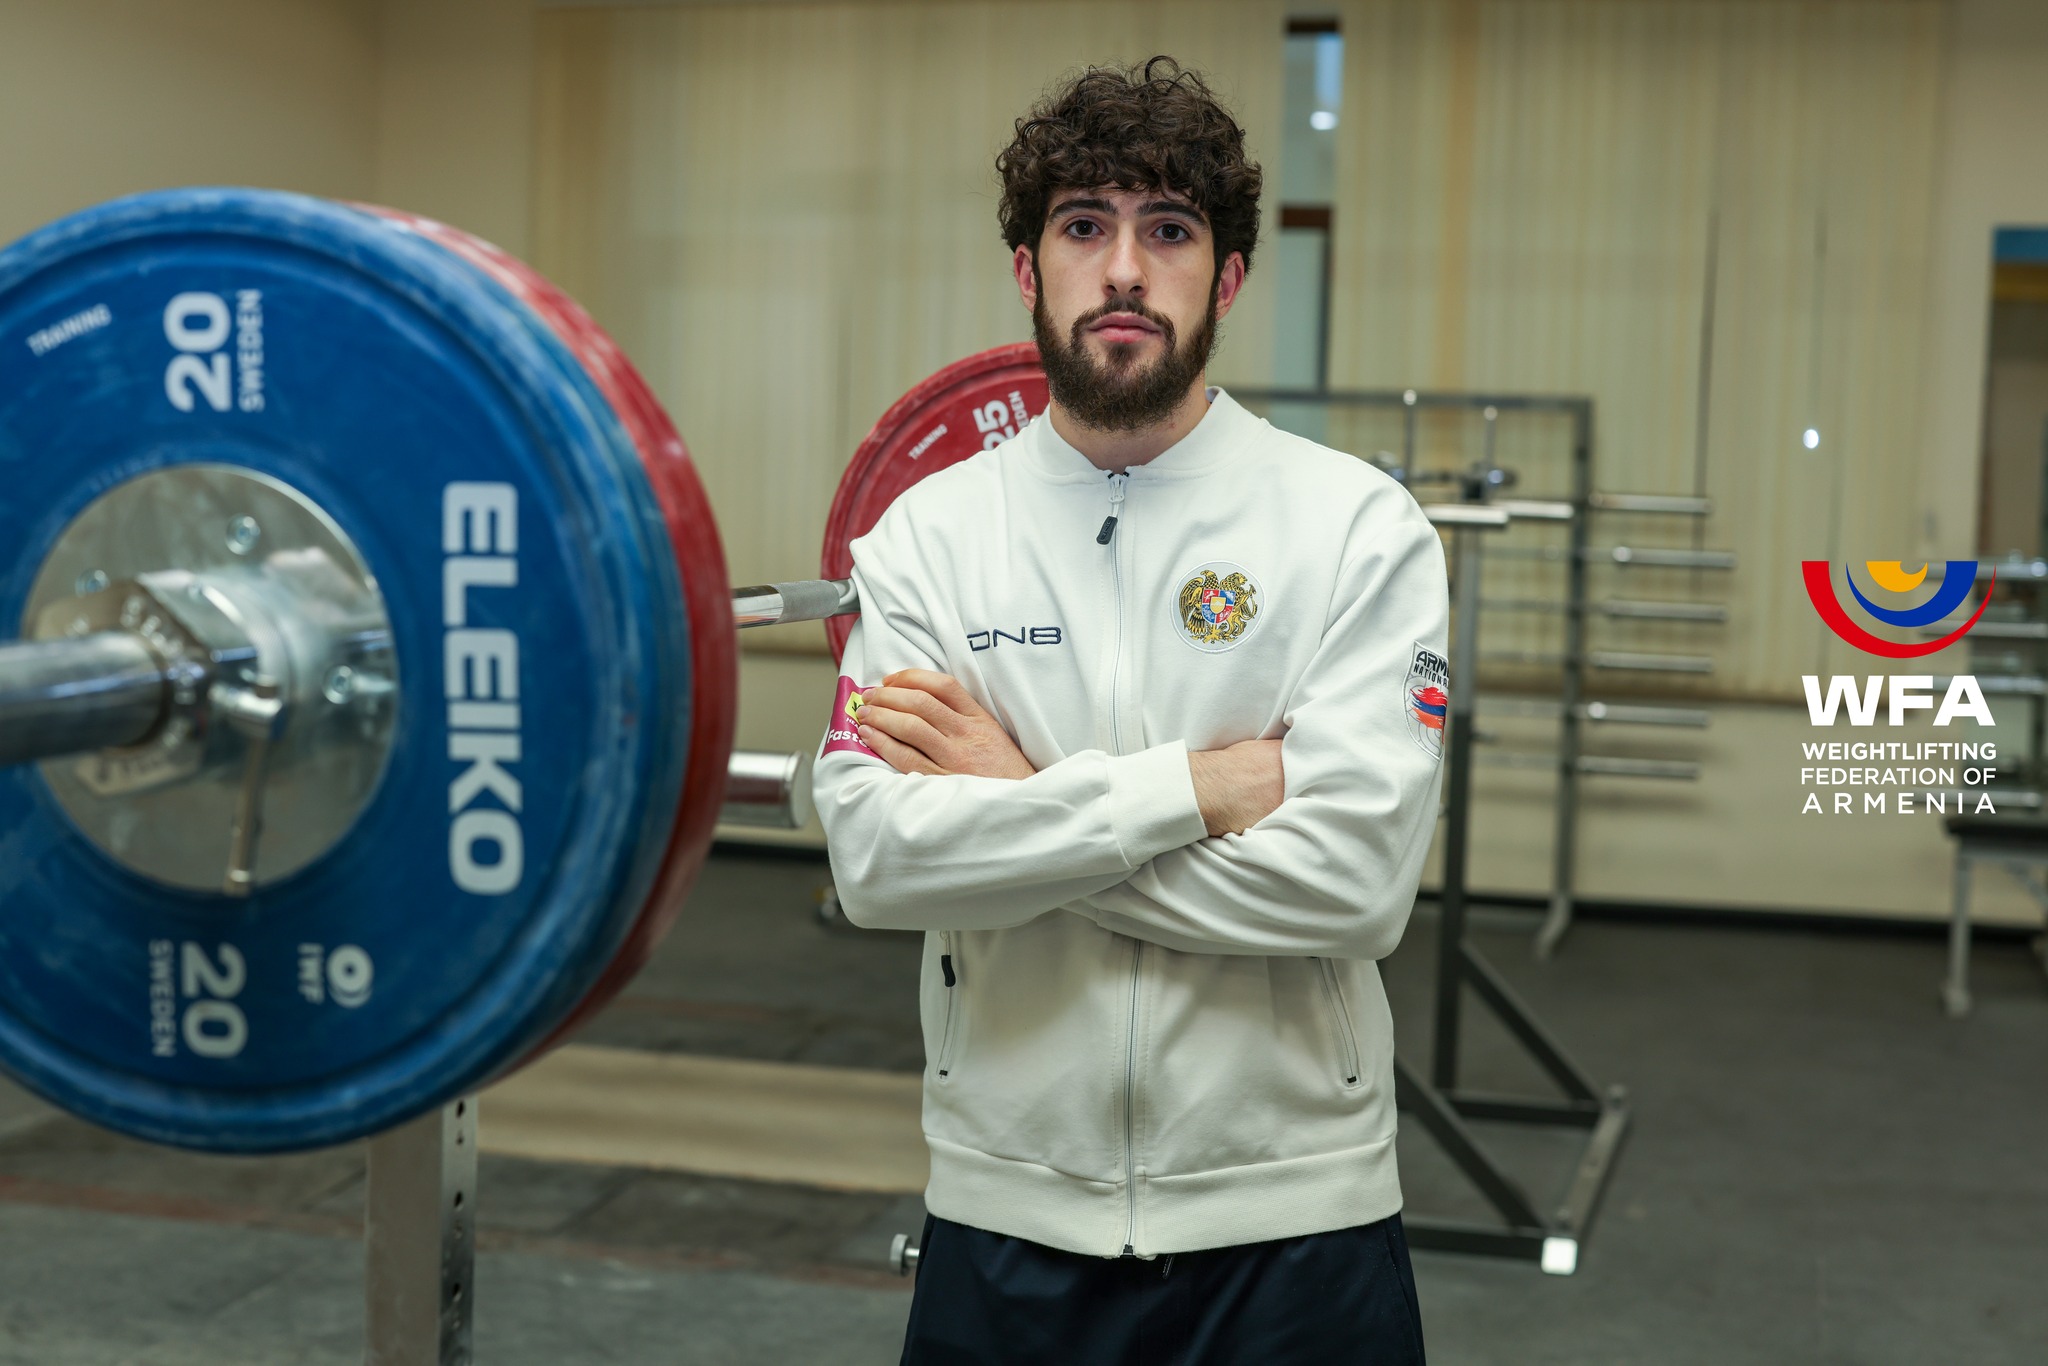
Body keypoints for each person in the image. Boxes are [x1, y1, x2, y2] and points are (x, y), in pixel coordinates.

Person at [813, 56, 1447, 1366]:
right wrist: (1200, 790)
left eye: (1167, 231)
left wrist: (1017, 799)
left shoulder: (1355, 528)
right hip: (1005, 1211)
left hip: (1296, 1222)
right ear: (1027, 269)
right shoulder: (928, 540)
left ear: (1226, 279)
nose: (1121, 269)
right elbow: (877, 861)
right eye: (1082, 226)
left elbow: (1355, 887)